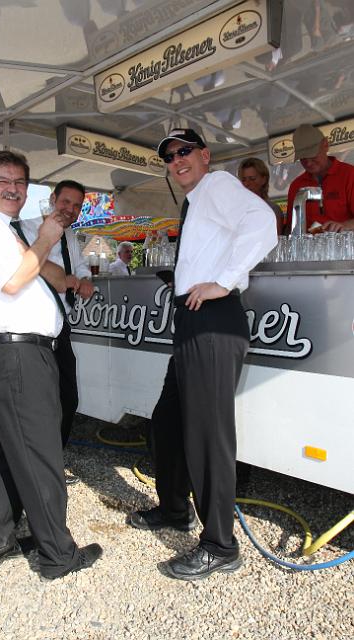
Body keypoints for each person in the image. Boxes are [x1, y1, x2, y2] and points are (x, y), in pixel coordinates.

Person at [129, 128, 276, 581]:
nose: (177, 160)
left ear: (205, 155)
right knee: (168, 421)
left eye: (184, 151)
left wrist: (223, 281)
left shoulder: (217, 185)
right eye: (170, 157)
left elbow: (263, 223)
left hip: (213, 321)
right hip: (195, 319)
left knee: (208, 437)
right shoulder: (198, 200)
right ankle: (175, 508)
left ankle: (220, 545)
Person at [0, 150, 102, 579]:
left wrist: (66, 272)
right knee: (41, 454)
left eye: (20, 182)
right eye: (3, 180)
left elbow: (44, 273)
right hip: (17, 353)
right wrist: (46, 238)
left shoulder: (6, 229)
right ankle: (58, 555)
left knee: (15, 448)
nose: (13, 188)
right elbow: (13, 280)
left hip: (27, 352)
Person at [17, 180, 94, 484]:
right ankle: (34, 468)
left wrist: (84, 279)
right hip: (30, 328)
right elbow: (27, 269)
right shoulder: (24, 228)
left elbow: (81, 267)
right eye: (66, 202)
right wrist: (65, 279)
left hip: (60, 326)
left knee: (68, 398)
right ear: (52, 199)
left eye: (77, 206)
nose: (70, 210)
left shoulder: (71, 237)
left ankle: (52, 461)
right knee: (37, 403)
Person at [286, 123, 354, 233]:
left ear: (325, 144)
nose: (308, 163)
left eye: (312, 156)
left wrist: (344, 225)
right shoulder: (296, 186)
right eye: (303, 158)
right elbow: (291, 228)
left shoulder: (349, 175)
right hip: (309, 243)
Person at [238, 157, 284, 234]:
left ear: (263, 179)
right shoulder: (237, 209)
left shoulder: (272, 209)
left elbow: (275, 238)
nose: (247, 183)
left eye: (252, 179)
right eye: (243, 180)